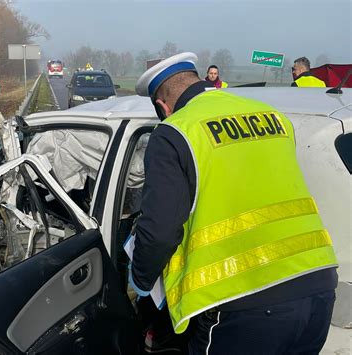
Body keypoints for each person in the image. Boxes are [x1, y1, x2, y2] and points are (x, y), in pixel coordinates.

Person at [130, 52, 338, 354]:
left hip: (244, 308)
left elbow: (160, 231)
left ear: (162, 106)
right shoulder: (272, 115)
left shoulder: (175, 132)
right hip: (317, 288)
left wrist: (140, 279)